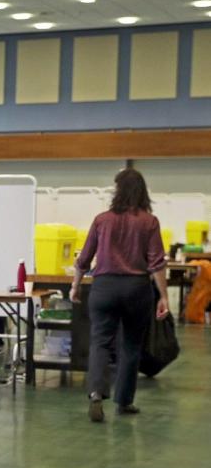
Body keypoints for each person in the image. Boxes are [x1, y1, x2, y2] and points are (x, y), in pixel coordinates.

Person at [71, 168, 169, 423]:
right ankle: (124, 401)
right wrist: (164, 296)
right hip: (137, 289)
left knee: (100, 342)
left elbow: (84, 258)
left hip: (104, 287)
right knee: (131, 345)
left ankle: (95, 393)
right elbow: (157, 262)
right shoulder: (149, 221)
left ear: (118, 191)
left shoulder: (102, 219)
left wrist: (75, 285)